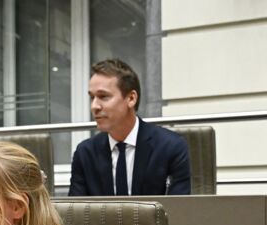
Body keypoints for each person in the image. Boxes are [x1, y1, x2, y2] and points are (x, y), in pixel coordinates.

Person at [69, 59, 191, 196]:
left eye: (103, 96)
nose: (94, 106)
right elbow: (75, 208)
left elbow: (179, 207)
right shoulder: (85, 153)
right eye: (92, 97)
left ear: (131, 98)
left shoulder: (170, 147)